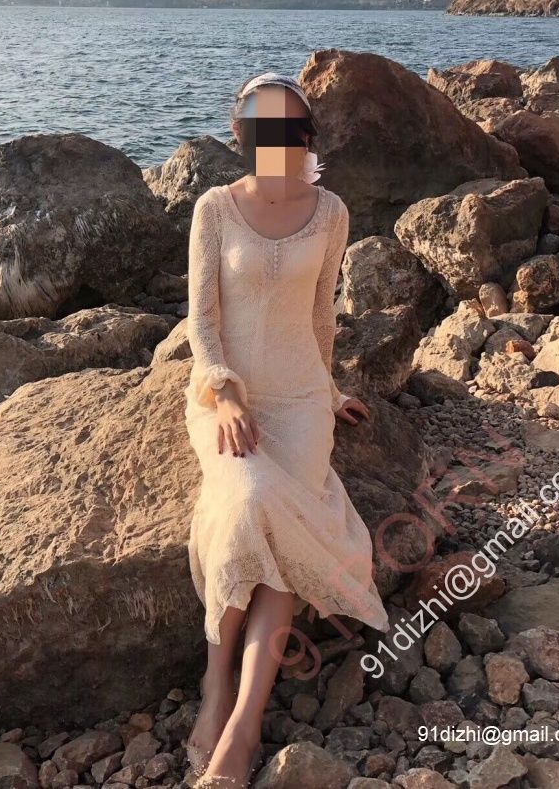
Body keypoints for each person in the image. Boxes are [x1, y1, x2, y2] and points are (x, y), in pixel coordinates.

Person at [183, 72, 389, 787]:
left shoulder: (331, 211)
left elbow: (321, 314)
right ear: (242, 133)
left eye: (290, 128)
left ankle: (243, 725)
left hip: (301, 400)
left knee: (282, 525)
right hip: (228, 396)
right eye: (261, 127)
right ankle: (216, 686)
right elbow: (202, 323)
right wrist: (224, 394)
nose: (277, 140)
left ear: (306, 134)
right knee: (246, 501)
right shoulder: (215, 208)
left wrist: (328, 393)